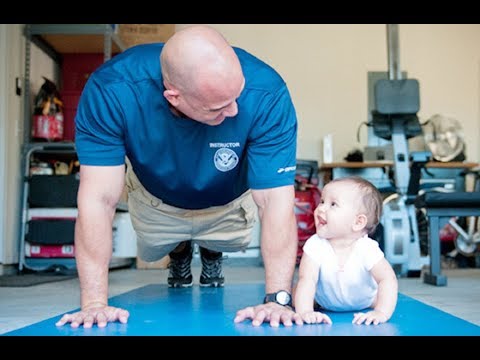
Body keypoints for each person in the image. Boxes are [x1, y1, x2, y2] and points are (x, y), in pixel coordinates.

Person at [55, 25, 302, 329]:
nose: (236, 110)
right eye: (220, 106)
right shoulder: (112, 89)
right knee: (155, 245)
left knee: (230, 236)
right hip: (157, 203)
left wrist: (279, 299)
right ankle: (180, 248)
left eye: (236, 96)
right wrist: (94, 304)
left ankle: (211, 248)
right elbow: (98, 199)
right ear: (173, 97)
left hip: (228, 204)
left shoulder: (266, 91)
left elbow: (276, 200)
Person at [293, 176, 398, 325]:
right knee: (298, 290)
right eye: (322, 201)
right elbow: (307, 280)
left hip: (365, 301)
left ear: (358, 222)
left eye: (333, 204)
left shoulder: (367, 248)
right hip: (324, 302)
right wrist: (305, 312)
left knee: (382, 295)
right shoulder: (315, 245)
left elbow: (387, 279)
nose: (321, 208)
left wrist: (381, 312)